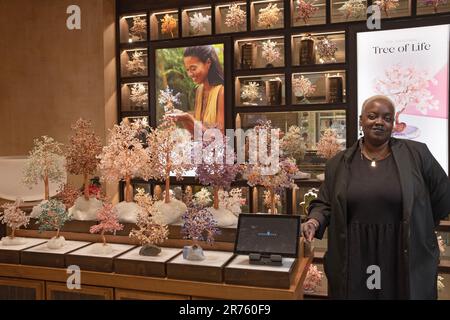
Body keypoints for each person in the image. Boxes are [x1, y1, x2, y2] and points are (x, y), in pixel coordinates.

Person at [302, 95, 450, 300]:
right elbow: (325, 202)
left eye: (387, 118)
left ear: (393, 124)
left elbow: (443, 194)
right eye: (372, 116)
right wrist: (314, 220)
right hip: (355, 252)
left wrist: (421, 222)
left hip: (401, 249)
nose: (379, 122)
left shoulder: (417, 154)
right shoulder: (338, 163)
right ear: (361, 120)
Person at [169, 45, 225, 134]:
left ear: (208, 62)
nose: (190, 74)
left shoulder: (222, 91)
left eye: (193, 68)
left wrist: (189, 117)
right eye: (187, 69)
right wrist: (184, 119)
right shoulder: (199, 90)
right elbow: (197, 134)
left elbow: (220, 137)